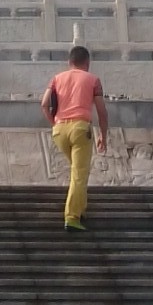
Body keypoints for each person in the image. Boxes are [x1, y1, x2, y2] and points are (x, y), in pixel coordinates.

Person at [41, 44, 108, 233]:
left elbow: (44, 104)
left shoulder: (56, 78)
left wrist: (54, 122)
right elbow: (102, 112)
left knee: (78, 171)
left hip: (60, 130)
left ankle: (81, 207)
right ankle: (72, 216)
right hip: (80, 128)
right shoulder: (93, 80)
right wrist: (103, 135)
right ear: (87, 63)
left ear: (69, 62)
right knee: (79, 174)